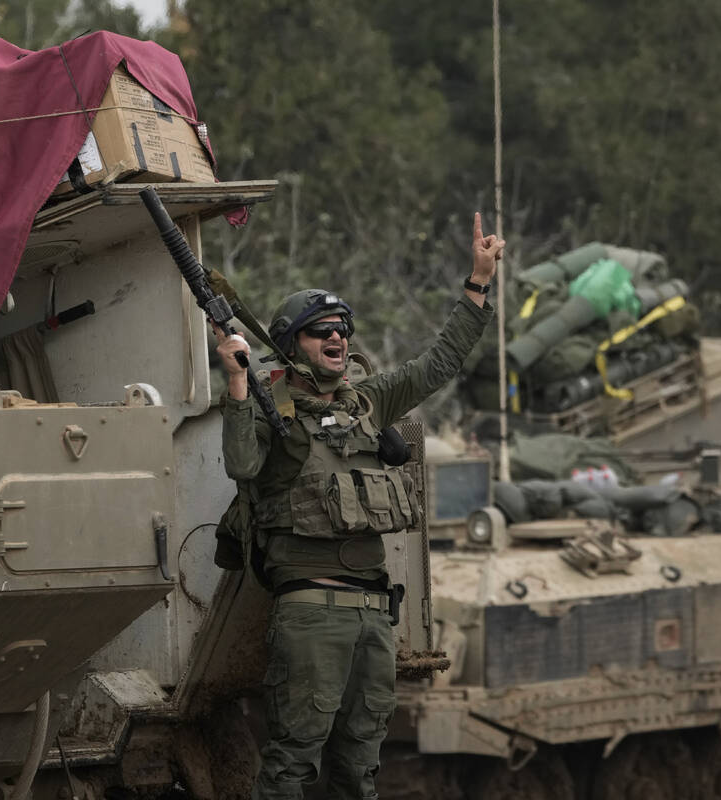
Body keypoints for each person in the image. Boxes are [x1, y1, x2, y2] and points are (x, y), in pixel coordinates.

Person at [214, 213, 504, 799]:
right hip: (310, 611)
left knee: (361, 769)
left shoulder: (367, 402)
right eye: (321, 330)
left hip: (375, 612)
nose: (337, 338)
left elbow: (437, 365)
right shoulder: (274, 407)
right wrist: (238, 386)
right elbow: (243, 466)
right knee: (292, 762)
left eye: (342, 328)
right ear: (293, 343)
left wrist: (477, 284)